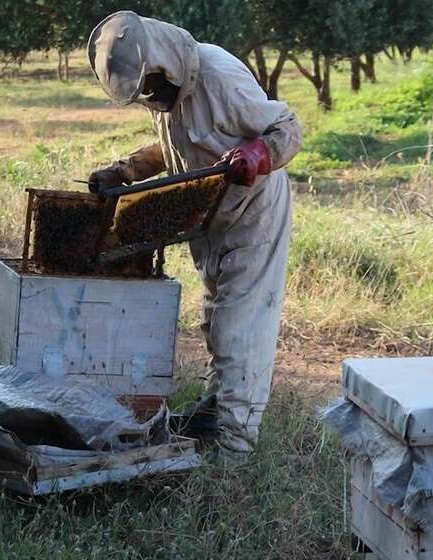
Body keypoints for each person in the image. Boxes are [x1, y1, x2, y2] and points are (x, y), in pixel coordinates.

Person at [86, 11, 302, 458]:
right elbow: (172, 148)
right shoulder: (167, 93)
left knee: (237, 329)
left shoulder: (220, 76)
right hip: (208, 216)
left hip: (252, 212)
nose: (150, 98)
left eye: (151, 87)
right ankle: (214, 413)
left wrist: (257, 153)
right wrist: (125, 170)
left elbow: (288, 128)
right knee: (214, 321)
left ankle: (236, 447)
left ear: (167, 64)